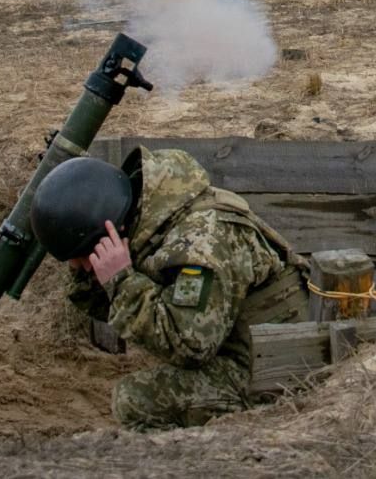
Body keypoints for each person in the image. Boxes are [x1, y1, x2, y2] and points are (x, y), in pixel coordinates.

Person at [30, 147, 308, 431]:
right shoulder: (158, 219)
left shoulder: (201, 244)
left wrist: (121, 279)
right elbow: (114, 309)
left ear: (112, 232)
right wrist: (97, 279)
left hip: (280, 371)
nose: (87, 268)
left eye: (86, 258)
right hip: (247, 349)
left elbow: (189, 346)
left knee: (134, 399)